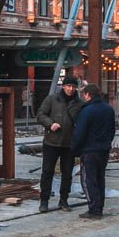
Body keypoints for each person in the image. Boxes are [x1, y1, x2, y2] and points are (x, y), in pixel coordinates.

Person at [37, 75, 82, 212]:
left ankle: (63, 200)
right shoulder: (52, 99)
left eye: (74, 87)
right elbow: (40, 114)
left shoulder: (79, 103)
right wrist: (50, 124)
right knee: (47, 172)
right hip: (52, 142)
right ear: (63, 86)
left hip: (69, 144)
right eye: (69, 86)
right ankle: (44, 201)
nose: (71, 89)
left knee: (67, 173)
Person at [71, 83, 116, 219]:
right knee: (99, 177)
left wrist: (74, 149)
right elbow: (112, 130)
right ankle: (99, 206)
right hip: (104, 149)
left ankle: (93, 209)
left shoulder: (87, 111)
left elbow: (79, 132)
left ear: (87, 95)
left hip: (89, 149)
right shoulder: (108, 109)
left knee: (88, 179)